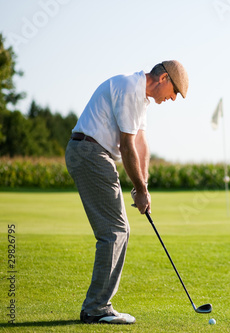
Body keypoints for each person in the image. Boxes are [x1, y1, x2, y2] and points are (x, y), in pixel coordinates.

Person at [65, 60, 188, 324]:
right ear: (164, 78)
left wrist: (142, 186)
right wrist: (139, 189)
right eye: (174, 91)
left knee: (118, 231)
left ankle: (97, 306)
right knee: (115, 231)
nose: (173, 99)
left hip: (93, 153)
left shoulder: (140, 98)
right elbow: (126, 145)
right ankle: (96, 308)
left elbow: (141, 144)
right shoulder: (129, 88)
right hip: (90, 152)